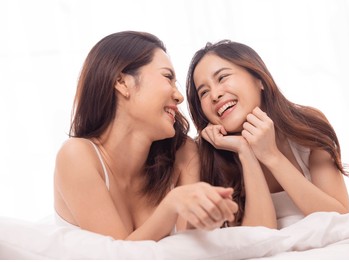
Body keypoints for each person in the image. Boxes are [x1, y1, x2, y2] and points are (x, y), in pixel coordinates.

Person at [54, 31, 238, 241]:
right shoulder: (77, 156)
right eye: (168, 77)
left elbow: (189, 248)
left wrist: (209, 219)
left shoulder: (184, 152)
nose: (179, 97)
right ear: (122, 83)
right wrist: (172, 204)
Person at [186, 40, 349, 228]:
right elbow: (259, 236)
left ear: (260, 80)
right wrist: (245, 151)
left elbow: (340, 216)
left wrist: (270, 155)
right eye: (204, 92)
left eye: (222, 78)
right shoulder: (205, 155)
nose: (215, 95)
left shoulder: (307, 124)